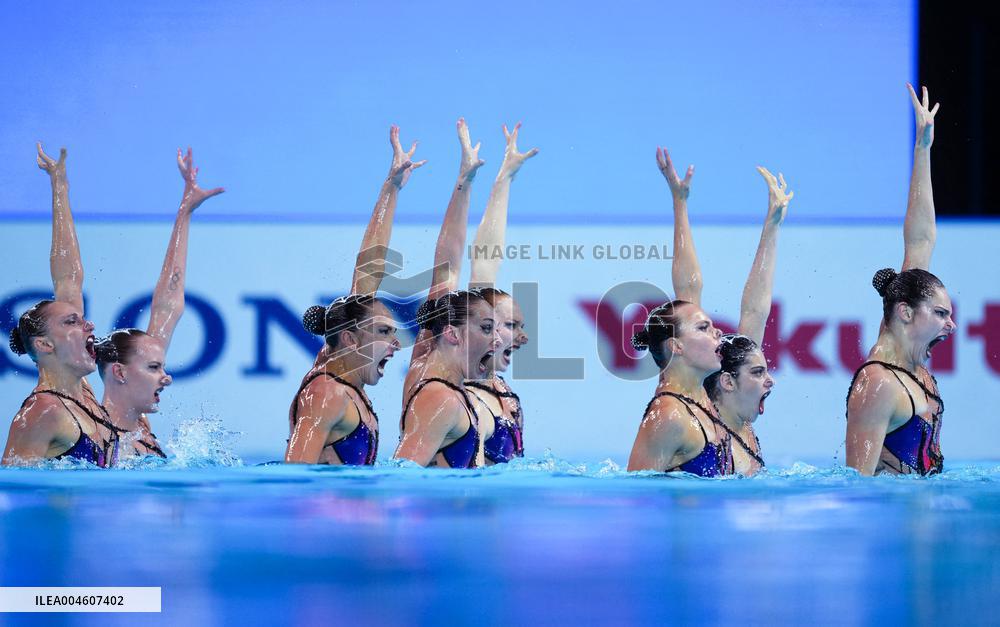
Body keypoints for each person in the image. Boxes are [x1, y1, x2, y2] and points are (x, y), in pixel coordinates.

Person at [285, 126, 420, 465]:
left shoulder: (343, 378)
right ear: (349, 339)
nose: (397, 343)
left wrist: (391, 189)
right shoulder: (326, 392)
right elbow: (294, 475)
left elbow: (368, 273)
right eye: (384, 332)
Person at [846, 85, 955, 476]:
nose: (951, 324)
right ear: (906, 313)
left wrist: (924, 150)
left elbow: (923, 240)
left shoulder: (914, 371)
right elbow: (858, 481)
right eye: (941, 313)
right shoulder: (879, 381)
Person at [95, 148, 224, 458]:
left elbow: (168, 303)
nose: (166, 377)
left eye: (161, 366)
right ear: (120, 372)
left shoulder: (139, 428)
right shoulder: (95, 433)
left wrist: (185, 212)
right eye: (154, 367)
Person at [394, 119, 502, 468]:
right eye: (487, 329)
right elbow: (446, 265)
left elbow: (457, 269)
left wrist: (470, 180)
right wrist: (462, 183)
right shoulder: (435, 390)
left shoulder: (451, 383)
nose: (498, 339)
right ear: (452, 334)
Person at [3, 145, 118, 467]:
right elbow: (13, 493)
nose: (89, 325)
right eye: (71, 322)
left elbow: (69, 278)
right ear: (44, 344)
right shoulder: (42, 413)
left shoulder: (84, 399)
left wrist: (60, 186)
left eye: (82, 320)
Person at [627, 146, 732, 477]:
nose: (717, 332)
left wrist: (680, 202)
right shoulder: (670, 415)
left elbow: (690, 288)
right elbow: (637, 494)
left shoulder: (702, 397)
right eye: (703, 328)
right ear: (676, 346)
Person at [700, 166, 792, 475]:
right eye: (757, 372)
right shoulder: (697, 428)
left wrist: (773, 226)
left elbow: (755, 312)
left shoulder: (742, 428)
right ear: (727, 382)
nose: (770, 380)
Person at [465, 123, 537, 464]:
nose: (521, 338)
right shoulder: (459, 391)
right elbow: (484, 263)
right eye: (511, 325)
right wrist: (501, 180)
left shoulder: (501, 391)